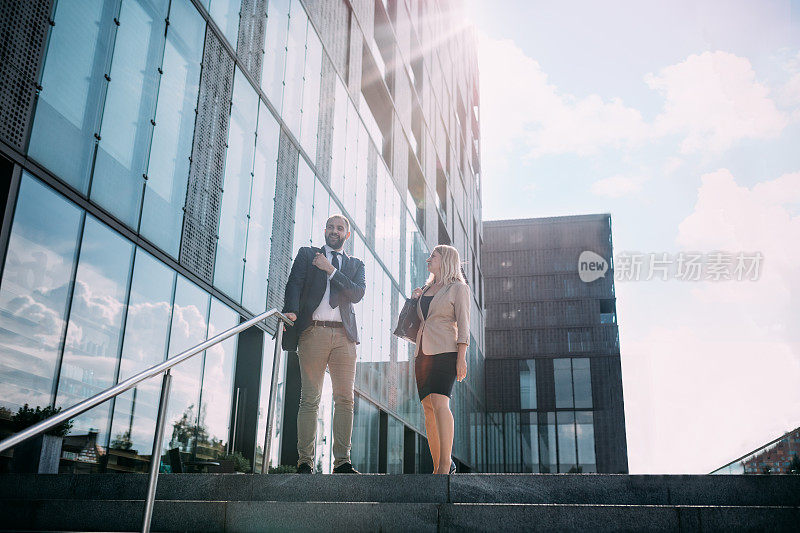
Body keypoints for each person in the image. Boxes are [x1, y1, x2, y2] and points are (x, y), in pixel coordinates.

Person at [282, 214, 366, 474]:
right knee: (310, 398)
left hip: (344, 337)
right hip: (314, 332)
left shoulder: (355, 264)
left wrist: (330, 269)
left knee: (345, 400)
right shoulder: (308, 255)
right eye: (330, 226)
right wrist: (291, 311)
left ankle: (342, 461)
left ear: (346, 235)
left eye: (339, 228)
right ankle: (305, 461)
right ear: (325, 230)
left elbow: (357, 293)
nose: (334, 231)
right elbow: (294, 283)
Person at [410, 244, 470, 474]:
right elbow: (419, 322)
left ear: (444, 260)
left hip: (446, 351)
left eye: (432, 256)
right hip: (422, 353)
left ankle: (446, 464)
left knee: (439, 402)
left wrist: (461, 358)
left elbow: (463, 326)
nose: (428, 259)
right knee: (427, 407)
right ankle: (437, 466)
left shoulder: (458, 288)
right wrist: (415, 299)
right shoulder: (426, 289)